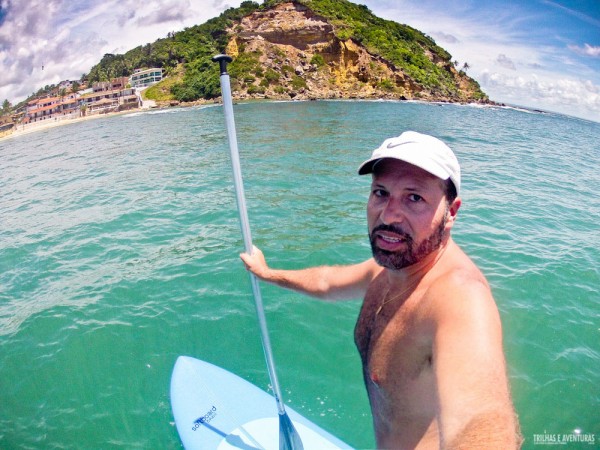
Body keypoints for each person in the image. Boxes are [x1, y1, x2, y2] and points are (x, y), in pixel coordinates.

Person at [240, 131, 521, 449]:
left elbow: (481, 423)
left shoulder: (459, 299)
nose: (388, 215)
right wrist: (269, 274)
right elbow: (327, 282)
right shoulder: (392, 268)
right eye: (381, 193)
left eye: (414, 198)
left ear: (451, 212)